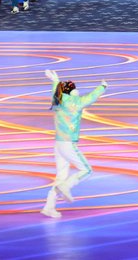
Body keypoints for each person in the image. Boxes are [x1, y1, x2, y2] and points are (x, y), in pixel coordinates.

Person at [41, 69, 107, 218]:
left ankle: (49, 206)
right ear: (73, 91)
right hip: (68, 143)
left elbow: (56, 90)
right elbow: (90, 98)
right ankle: (67, 186)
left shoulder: (59, 100)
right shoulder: (76, 102)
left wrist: (55, 81)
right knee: (86, 170)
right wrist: (102, 86)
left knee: (61, 175)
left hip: (58, 143)